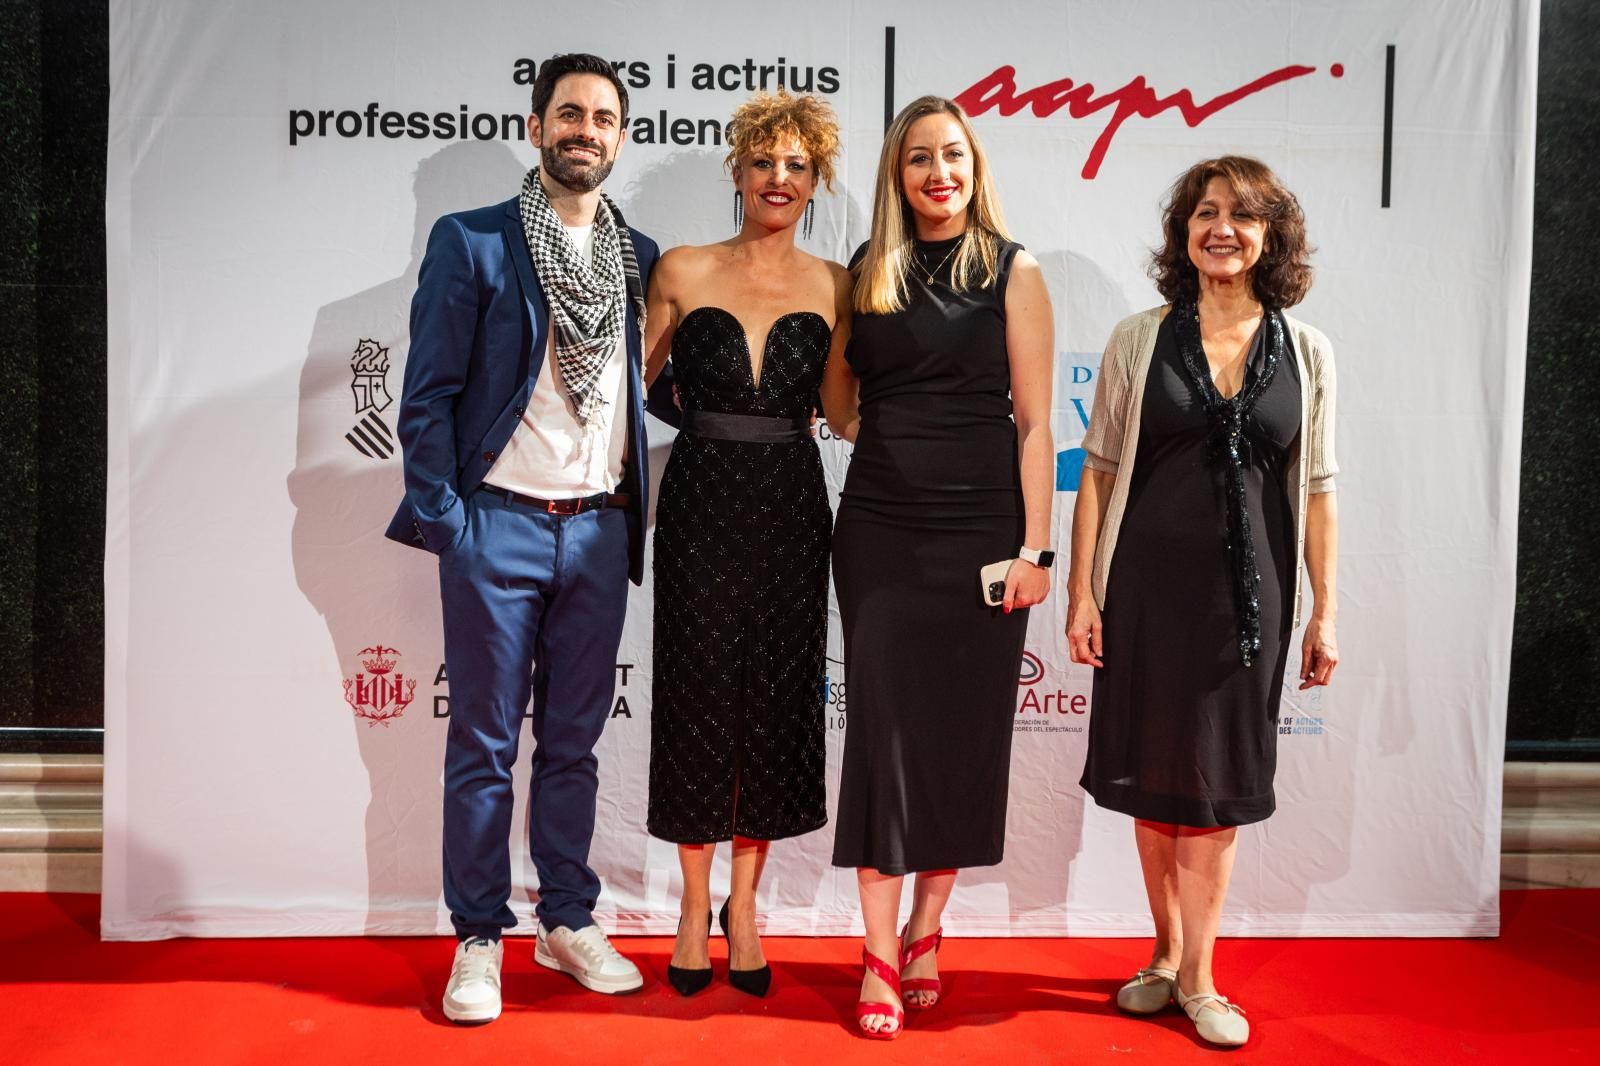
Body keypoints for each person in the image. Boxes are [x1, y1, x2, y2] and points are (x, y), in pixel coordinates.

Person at [385, 53, 660, 1024]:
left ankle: (567, 916)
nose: (587, 129)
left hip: (597, 534)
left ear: (620, 139)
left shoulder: (641, 257)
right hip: (495, 524)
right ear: (538, 126)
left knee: (576, 743)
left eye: (604, 117)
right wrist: (453, 527)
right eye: (570, 113)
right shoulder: (474, 243)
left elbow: (658, 390)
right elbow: (426, 402)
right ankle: (477, 932)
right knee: (485, 743)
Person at [1067, 155, 1339, 1048]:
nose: (1222, 228)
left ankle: (1202, 977)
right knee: (1155, 780)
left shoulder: (1307, 350)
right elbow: (1100, 469)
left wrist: (1326, 609)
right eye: (1205, 212)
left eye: (1243, 215)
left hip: (1249, 604)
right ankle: (1162, 952)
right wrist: (1084, 591)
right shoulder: (1139, 337)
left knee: (1216, 790)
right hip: (1144, 590)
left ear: (1271, 237)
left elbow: (1320, 486)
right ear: (1184, 232)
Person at [821, 95, 1055, 1039]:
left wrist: (1036, 548)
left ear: (974, 164)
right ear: (896, 174)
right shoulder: (866, 272)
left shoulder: (1012, 268)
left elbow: (1039, 426)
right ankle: (878, 952)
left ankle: (926, 929)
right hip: (878, 532)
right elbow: (838, 395)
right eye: (918, 158)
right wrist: (881, 439)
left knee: (959, 738)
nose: (937, 173)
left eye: (951, 155)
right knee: (881, 738)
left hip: (983, 539)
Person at [642, 91, 850, 1000]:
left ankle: (747, 904)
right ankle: (693, 908)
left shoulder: (839, 283)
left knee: (773, 696)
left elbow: (843, 412)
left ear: (816, 182)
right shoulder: (681, 269)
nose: (779, 178)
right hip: (698, 506)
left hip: (794, 510)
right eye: (764, 161)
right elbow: (632, 390)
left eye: (797, 165)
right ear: (737, 171)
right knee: (694, 695)